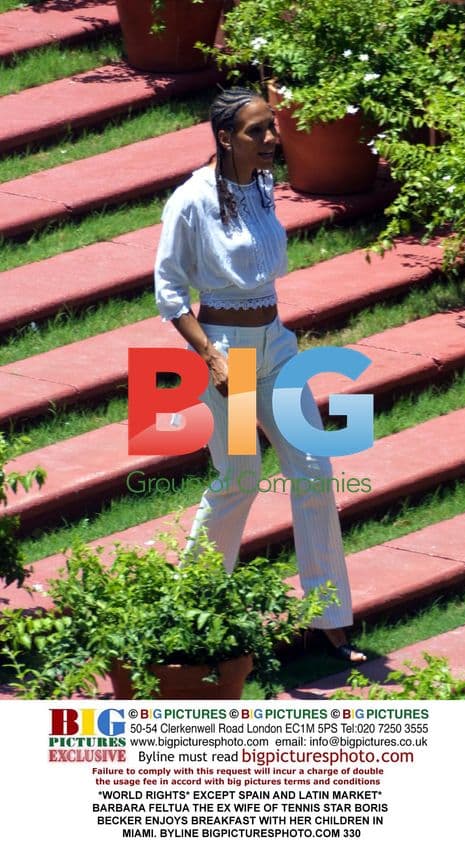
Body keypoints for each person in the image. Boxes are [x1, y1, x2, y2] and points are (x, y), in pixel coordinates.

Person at [154, 87, 366, 662]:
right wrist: (211, 356)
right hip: (230, 354)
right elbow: (169, 291)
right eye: (258, 131)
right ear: (226, 138)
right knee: (241, 478)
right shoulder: (191, 200)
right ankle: (188, 609)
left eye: (271, 126)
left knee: (314, 469)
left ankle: (329, 619)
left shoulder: (263, 184)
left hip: (276, 345)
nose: (272, 137)